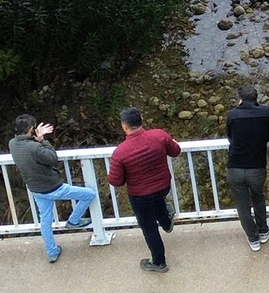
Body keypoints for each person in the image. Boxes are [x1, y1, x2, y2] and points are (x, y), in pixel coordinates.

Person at [9, 114, 98, 263]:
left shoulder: (12, 143)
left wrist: (35, 138)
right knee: (89, 194)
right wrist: (42, 140)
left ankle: (52, 252)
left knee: (45, 220)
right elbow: (52, 159)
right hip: (53, 187)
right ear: (32, 130)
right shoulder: (35, 147)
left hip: (36, 189)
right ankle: (74, 220)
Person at [107, 107, 181, 274]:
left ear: (124, 126)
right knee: (158, 200)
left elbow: (116, 181)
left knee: (149, 228)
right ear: (141, 120)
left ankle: (159, 262)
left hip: (140, 195)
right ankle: (166, 222)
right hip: (163, 186)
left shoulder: (120, 152)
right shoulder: (159, 135)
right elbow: (175, 151)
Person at [226, 84, 269, 251]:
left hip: (235, 166)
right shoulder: (264, 112)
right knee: (258, 196)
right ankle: (263, 230)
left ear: (240, 99)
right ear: (256, 98)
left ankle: (253, 238)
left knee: (242, 205)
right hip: (257, 167)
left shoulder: (233, 114)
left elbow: (230, 137)